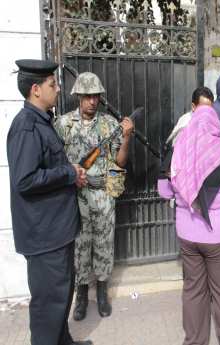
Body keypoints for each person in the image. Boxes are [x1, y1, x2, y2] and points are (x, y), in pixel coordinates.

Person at [7, 59, 92, 345]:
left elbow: (47, 169)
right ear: (35, 90)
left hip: (56, 231)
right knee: (48, 306)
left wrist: (70, 175)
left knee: (60, 297)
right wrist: (68, 172)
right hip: (45, 235)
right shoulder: (26, 127)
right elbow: (25, 180)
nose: (57, 89)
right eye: (52, 85)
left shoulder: (42, 121)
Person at [158, 104, 220, 345]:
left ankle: (194, 341)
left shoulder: (178, 150)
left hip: (188, 233)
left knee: (193, 290)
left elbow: (163, 190)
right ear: (214, 124)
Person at [54, 72, 134, 321]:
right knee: (79, 247)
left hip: (102, 195)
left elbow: (119, 163)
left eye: (95, 96)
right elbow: (55, 160)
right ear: (79, 96)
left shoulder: (109, 125)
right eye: (87, 96)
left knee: (103, 244)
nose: (92, 101)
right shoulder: (63, 124)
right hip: (75, 198)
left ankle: (101, 293)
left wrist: (127, 137)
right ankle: (80, 296)